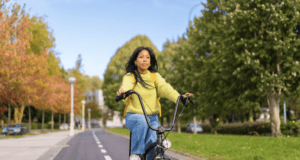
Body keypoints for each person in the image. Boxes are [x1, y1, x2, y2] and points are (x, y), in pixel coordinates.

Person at [117, 46, 193, 160]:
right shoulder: (131, 76)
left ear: (150, 60)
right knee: (141, 121)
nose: (145, 60)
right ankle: (136, 155)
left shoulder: (154, 76)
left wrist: (179, 97)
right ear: (135, 61)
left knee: (156, 145)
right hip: (134, 116)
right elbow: (127, 86)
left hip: (152, 118)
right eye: (141, 57)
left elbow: (165, 88)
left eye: (147, 57)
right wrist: (123, 92)